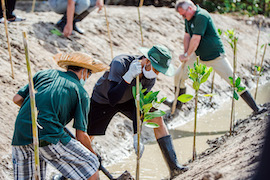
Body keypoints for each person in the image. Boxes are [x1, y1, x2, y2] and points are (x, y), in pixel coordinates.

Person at [87, 45, 188, 178]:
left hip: (128, 101)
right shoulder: (120, 63)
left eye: (159, 72)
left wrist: (136, 134)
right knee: (87, 136)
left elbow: (138, 105)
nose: (156, 74)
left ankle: (174, 167)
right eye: (156, 70)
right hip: (104, 99)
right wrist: (128, 76)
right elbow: (113, 98)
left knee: (157, 119)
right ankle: (67, 176)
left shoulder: (149, 78)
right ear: (146, 61)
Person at [11, 52, 109, 180]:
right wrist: (93, 154)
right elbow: (81, 136)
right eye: (89, 74)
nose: (88, 77)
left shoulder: (44, 74)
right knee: (91, 162)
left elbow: (17, 99)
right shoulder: (81, 92)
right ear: (84, 71)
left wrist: (38, 112)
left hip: (20, 133)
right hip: (48, 135)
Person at [164, 0, 261, 113]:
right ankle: (176, 105)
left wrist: (187, 54)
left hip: (215, 56)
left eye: (184, 14)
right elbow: (187, 36)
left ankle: (256, 109)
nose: (183, 18)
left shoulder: (201, 16)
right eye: (181, 16)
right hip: (197, 56)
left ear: (190, 8)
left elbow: (195, 39)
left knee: (234, 81)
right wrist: (186, 54)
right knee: (178, 76)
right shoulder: (188, 18)